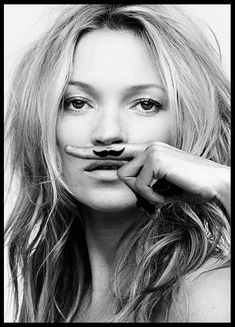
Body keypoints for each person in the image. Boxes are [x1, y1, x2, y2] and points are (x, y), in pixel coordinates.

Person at [4, 4, 230, 323]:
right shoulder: (54, 296)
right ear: (43, 123)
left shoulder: (210, 297)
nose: (108, 134)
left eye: (145, 104)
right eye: (78, 103)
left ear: (186, 124)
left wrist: (226, 186)